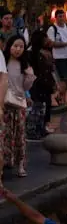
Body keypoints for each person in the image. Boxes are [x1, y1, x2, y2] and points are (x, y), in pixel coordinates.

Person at [4, 35, 33, 177]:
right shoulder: (4, 62)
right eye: (15, 46)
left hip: (19, 101)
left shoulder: (25, 65)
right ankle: (6, 160)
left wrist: (29, 77)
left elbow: (26, 86)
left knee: (20, 134)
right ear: (9, 46)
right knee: (6, 134)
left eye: (21, 47)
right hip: (4, 102)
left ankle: (21, 164)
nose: (18, 49)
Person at [47, 10, 67, 108]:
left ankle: (61, 96)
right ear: (56, 17)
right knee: (65, 77)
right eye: (59, 16)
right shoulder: (52, 29)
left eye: (63, 16)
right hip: (59, 57)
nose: (62, 18)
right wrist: (64, 44)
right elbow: (51, 43)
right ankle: (58, 96)